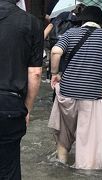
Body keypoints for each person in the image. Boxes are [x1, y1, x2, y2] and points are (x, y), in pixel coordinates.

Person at [48, 6, 102, 169]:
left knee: (64, 133)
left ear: (82, 20)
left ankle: (61, 163)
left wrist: (54, 73)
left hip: (66, 92)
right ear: (100, 22)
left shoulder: (70, 33)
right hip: (91, 94)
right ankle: (84, 170)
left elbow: (55, 51)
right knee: (88, 139)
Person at [0, 0, 43, 179]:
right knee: (9, 169)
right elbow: (35, 73)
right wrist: (27, 109)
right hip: (11, 105)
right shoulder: (31, 22)